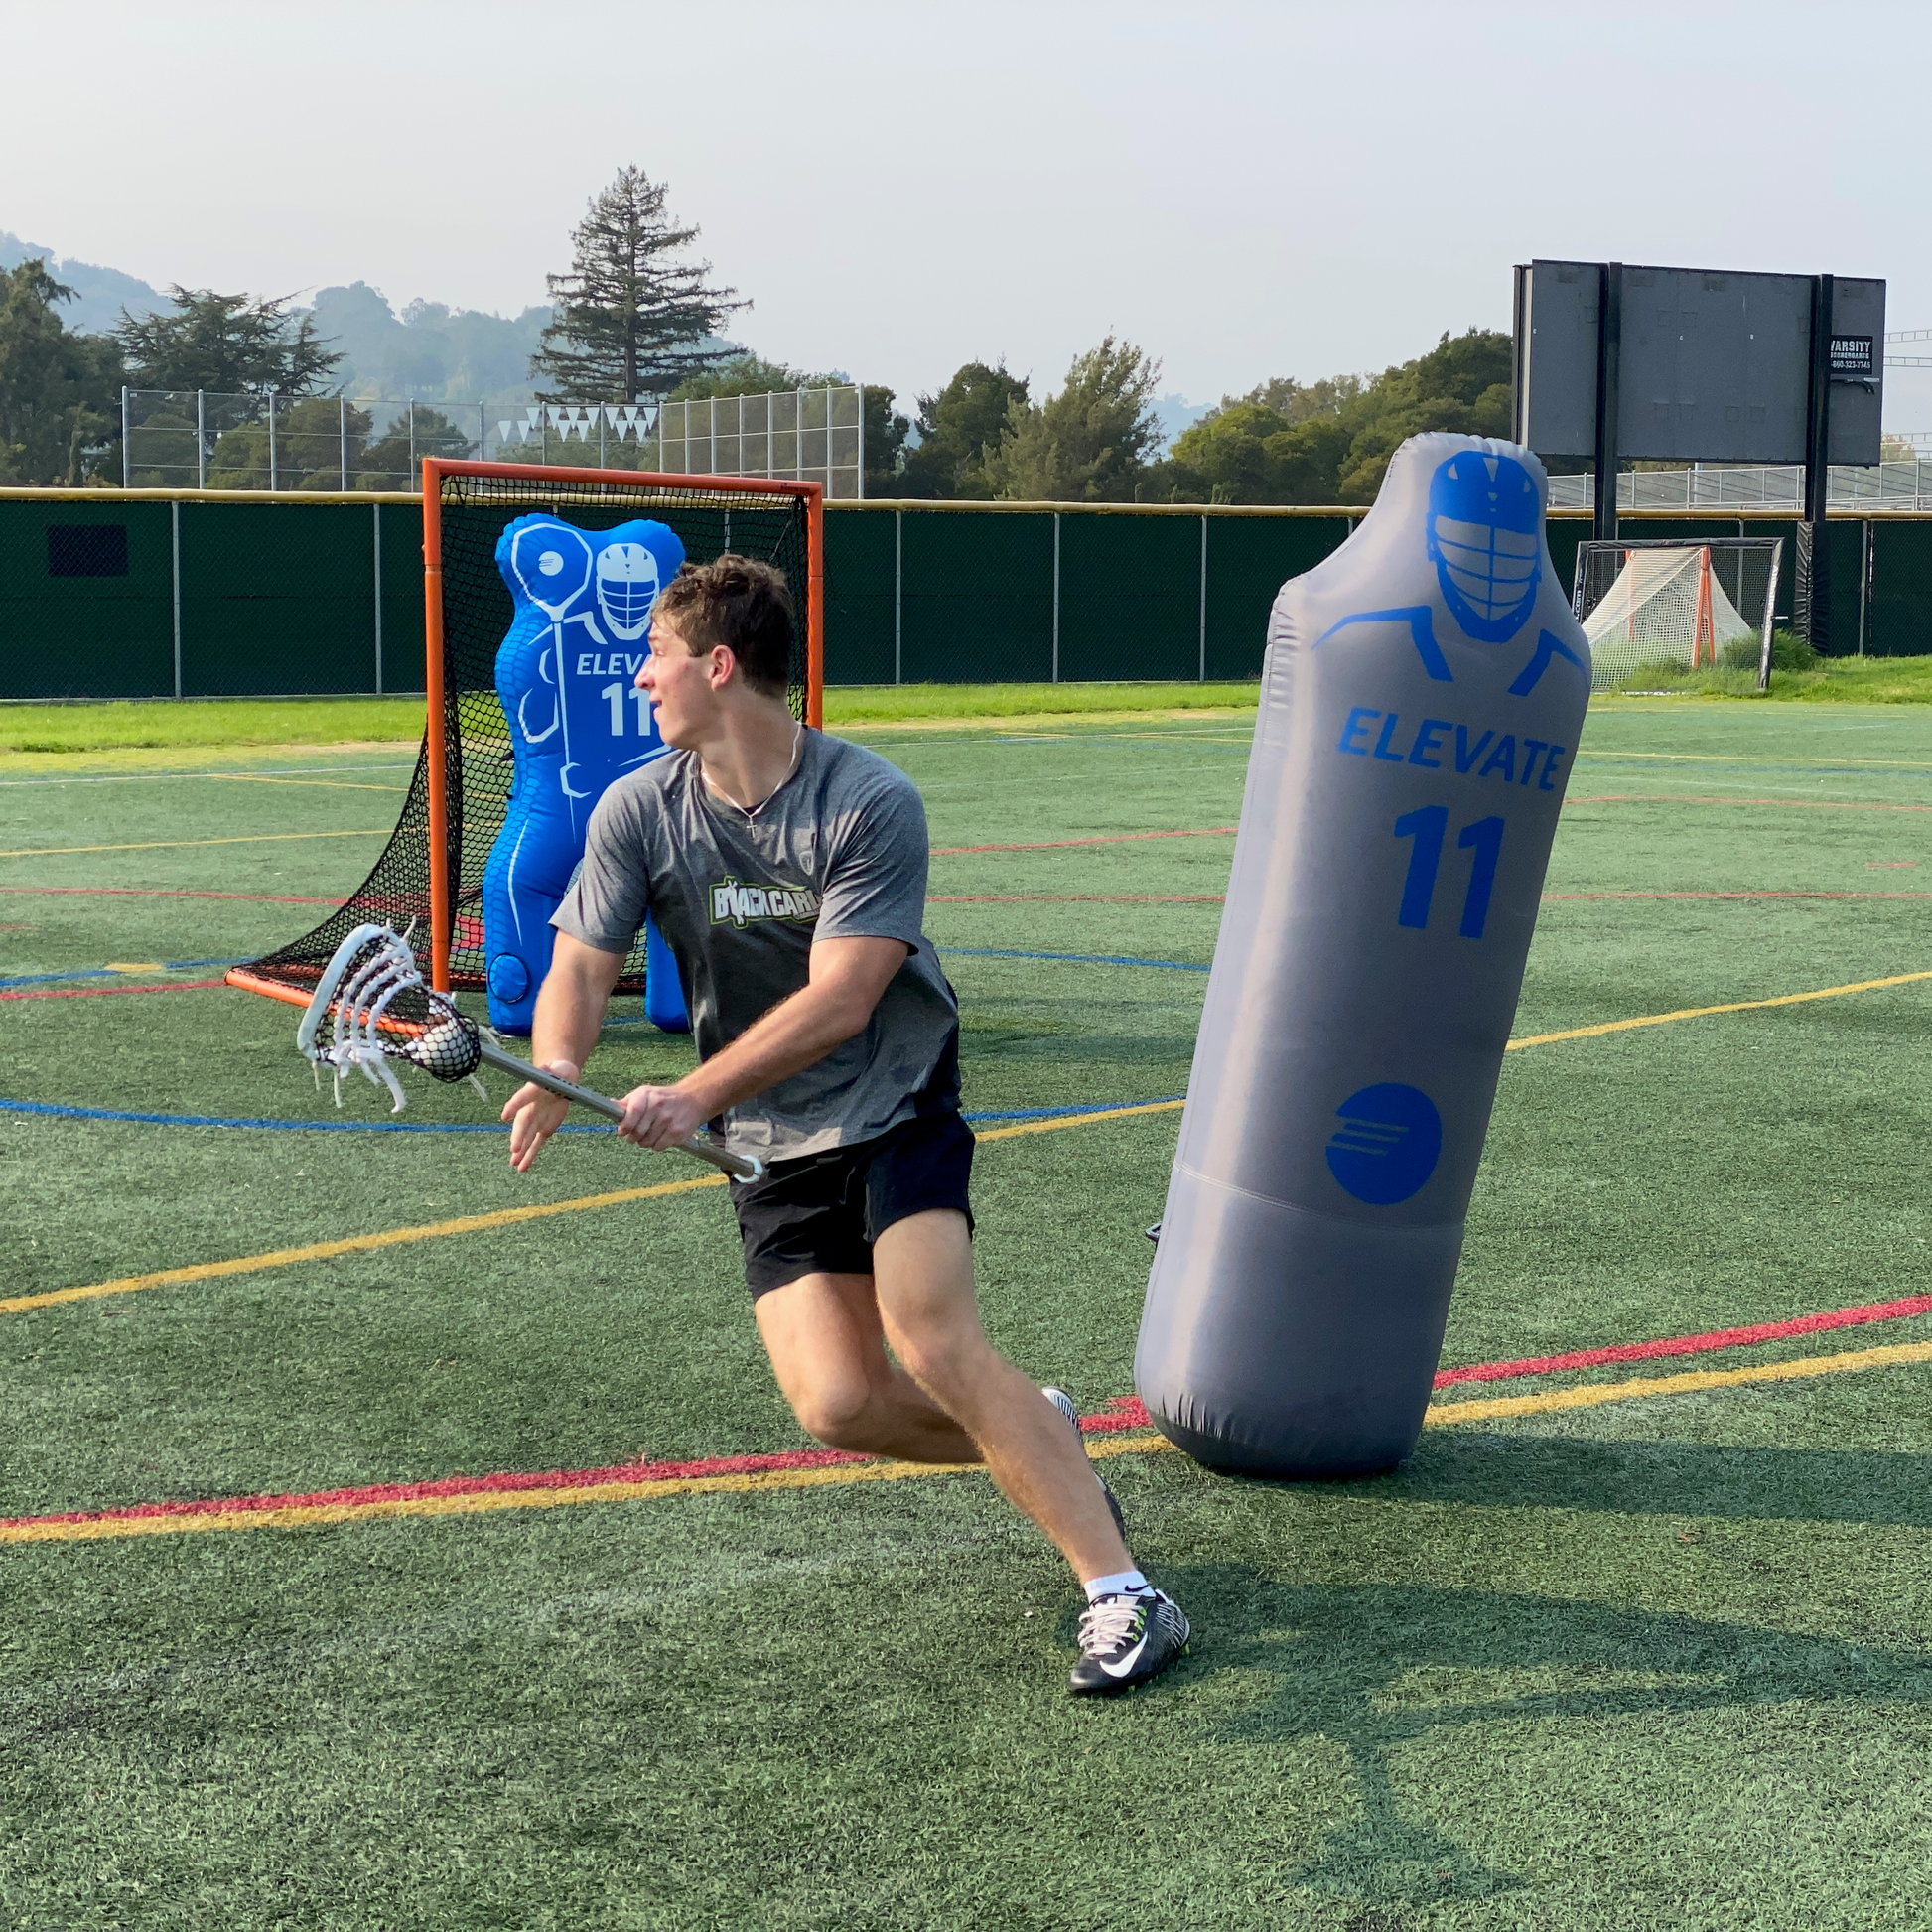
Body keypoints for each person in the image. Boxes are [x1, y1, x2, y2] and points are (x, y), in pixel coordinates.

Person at [501, 553, 1191, 1695]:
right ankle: (1038, 1427)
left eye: (656, 657)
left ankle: (1123, 1593)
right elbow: (582, 955)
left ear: (718, 665)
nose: (640, 680)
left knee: (929, 1339)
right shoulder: (639, 807)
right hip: (765, 1140)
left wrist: (694, 1091)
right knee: (837, 1402)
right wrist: (560, 1061)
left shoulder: (867, 799)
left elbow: (844, 996)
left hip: (891, 1099)